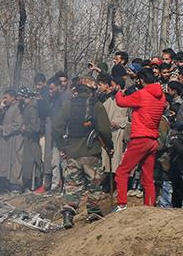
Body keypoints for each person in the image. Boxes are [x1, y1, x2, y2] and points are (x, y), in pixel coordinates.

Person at [53, 82, 111, 224]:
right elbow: (105, 130)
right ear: (91, 92)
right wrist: (109, 146)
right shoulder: (97, 106)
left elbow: (55, 127)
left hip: (72, 153)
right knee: (94, 185)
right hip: (92, 153)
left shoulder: (67, 106)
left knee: (72, 186)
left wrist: (62, 147)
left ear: (76, 92)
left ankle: (68, 213)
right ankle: (94, 213)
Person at [114, 68, 168, 210]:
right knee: (148, 177)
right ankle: (149, 207)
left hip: (140, 138)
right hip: (153, 140)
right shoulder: (162, 97)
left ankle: (121, 204)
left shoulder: (142, 94)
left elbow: (121, 102)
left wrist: (121, 92)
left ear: (142, 79)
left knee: (122, 171)